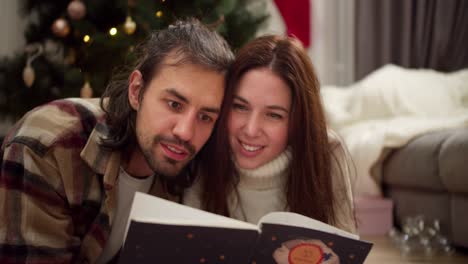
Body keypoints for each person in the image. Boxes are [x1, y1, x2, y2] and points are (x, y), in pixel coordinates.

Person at [0, 18, 234, 263]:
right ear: (136, 91)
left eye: (205, 116)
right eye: (174, 104)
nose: (186, 132)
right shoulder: (49, 146)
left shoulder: (189, 174)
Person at [184, 35, 356, 233]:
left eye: (274, 115)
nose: (251, 130)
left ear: (298, 121)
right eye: (240, 107)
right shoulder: (203, 145)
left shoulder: (327, 152)